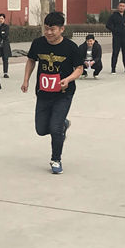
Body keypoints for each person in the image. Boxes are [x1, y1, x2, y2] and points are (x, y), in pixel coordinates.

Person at [21, 12, 83, 175]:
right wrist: (26, 80)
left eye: (52, 29)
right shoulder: (38, 43)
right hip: (43, 93)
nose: (48, 33)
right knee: (41, 129)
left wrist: (68, 79)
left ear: (62, 29)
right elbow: (31, 60)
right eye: (46, 29)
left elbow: (79, 68)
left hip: (63, 94)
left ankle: (56, 159)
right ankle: (63, 125)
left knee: (54, 128)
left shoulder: (70, 47)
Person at [105, 1, 125, 74]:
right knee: (115, 53)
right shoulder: (114, 16)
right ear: (118, 7)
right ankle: (113, 69)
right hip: (117, 37)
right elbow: (108, 25)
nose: (121, 7)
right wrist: (115, 30)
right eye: (120, 6)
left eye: (123, 6)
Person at [0, 13, 12, 78]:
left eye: (2, 18)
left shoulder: (6, 26)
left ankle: (5, 73)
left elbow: (5, 35)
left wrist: (0, 33)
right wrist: (1, 33)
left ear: (4, 19)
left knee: (5, 59)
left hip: (5, 44)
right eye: (0, 18)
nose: (1, 20)